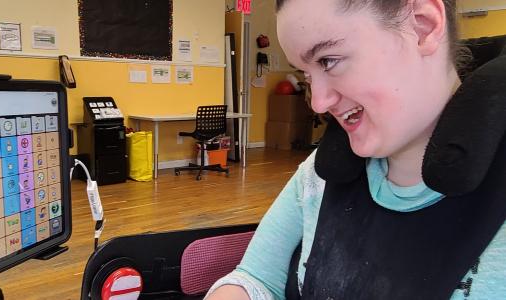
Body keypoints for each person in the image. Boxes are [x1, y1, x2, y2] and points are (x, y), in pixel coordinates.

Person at [206, 0, 506, 299]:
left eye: (328, 60)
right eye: (307, 74)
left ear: (422, 26)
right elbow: (255, 279)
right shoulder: (318, 173)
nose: (318, 103)